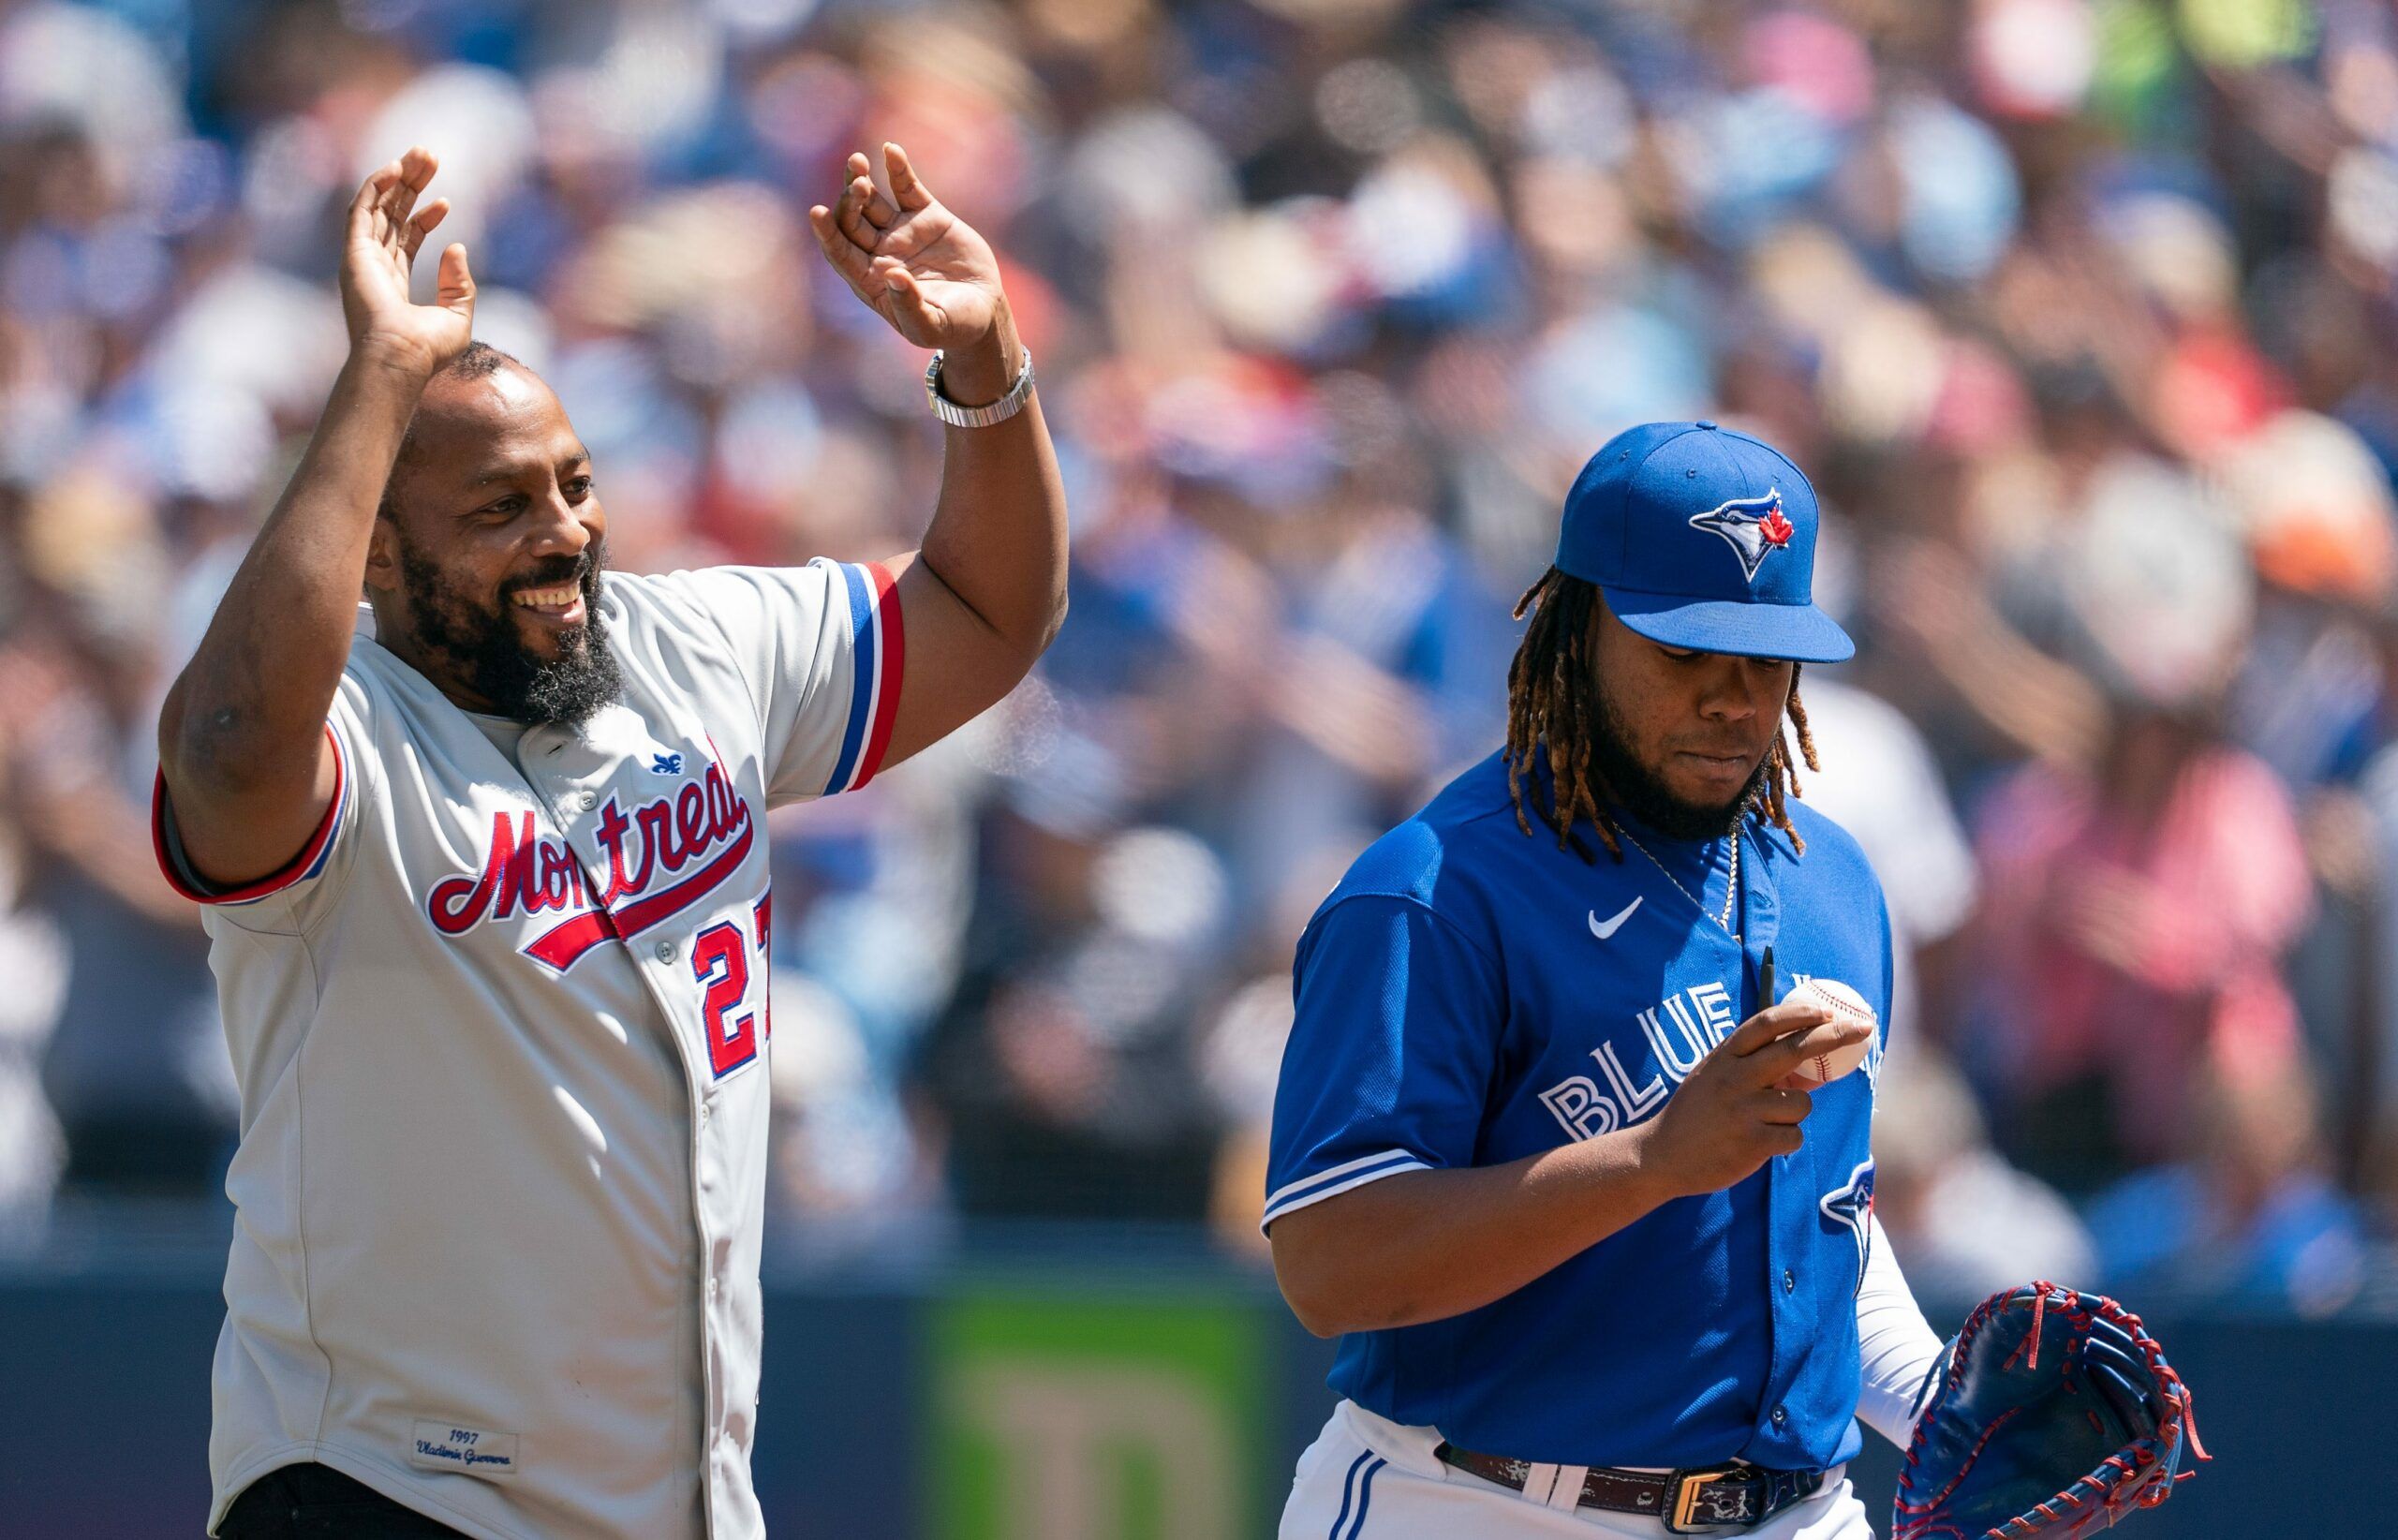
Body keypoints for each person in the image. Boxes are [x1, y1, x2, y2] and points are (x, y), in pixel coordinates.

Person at [153, 143, 1064, 1539]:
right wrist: (380, 379)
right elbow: (220, 752)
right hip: (384, 1491)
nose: (565, 531)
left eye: (573, 484)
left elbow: (991, 616)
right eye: (500, 508)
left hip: (674, 1500)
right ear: (376, 559)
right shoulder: (342, 744)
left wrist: (986, 368)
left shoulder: (693, 646)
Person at [1264, 422, 1947, 1538]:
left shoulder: (1833, 884)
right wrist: (1649, 1163)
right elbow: (1330, 1266)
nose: (1733, 698)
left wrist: (1938, 1404)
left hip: (1793, 1515)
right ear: (1577, 630)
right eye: (1684, 652)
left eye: (1767, 657)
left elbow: (1821, 1223)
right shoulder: (1432, 895)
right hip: (1473, 1502)